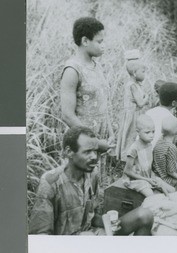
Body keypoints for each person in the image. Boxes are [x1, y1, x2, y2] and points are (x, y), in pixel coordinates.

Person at [29, 126, 154, 235]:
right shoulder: (50, 183)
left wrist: (108, 222)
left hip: (91, 235)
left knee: (145, 215)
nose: (94, 157)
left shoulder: (92, 175)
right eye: (88, 152)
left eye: (95, 151)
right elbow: (39, 237)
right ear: (69, 152)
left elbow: (90, 217)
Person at [60, 17, 115, 189]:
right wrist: (95, 143)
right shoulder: (72, 70)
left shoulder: (95, 65)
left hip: (100, 142)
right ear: (85, 41)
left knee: (96, 190)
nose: (103, 45)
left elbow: (103, 102)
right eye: (100, 41)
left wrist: (110, 133)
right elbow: (68, 115)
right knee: (79, 192)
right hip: (83, 146)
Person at [123, 115, 174, 196]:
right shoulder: (134, 149)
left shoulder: (149, 144)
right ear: (138, 132)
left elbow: (149, 166)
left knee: (171, 190)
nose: (151, 135)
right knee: (151, 196)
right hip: (137, 180)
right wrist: (147, 180)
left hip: (148, 176)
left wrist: (152, 178)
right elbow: (127, 171)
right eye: (147, 132)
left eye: (153, 131)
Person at [116, 50, 149, 161]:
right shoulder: (132, 86)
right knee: (131, 137)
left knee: (133, 137)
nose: (145, 74)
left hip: (134, 113)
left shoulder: (135, 84)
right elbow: (140, 103)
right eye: (143, 71)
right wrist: (146, 98)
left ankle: (133, 159)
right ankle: (129, 160)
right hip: (133, 115)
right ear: (135, 73)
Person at [146, 82, 177, 147]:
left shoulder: (149, 112)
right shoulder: (171, 119)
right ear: (174, 103)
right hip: (157, 153)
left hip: (142, 153)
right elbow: (171, 143)